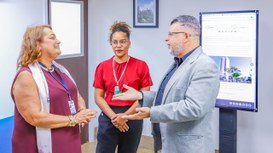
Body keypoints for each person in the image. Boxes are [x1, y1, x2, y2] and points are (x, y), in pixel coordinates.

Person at [112, 15, 220, 153]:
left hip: (188, 148)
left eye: (171, 34)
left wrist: (152, 112)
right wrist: (140, 95)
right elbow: (170, 96)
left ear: (186, 36)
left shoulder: (204, 66)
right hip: (168, 144)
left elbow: (193, 107)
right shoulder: (179, 62)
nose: (166, 39)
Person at [11, 25, 97, 153]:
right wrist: (73, 119)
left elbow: (75, 95)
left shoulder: (60, 69)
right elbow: (34, 117)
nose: (58, 41)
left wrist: (82, 111)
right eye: (52, 38)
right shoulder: (26, 76)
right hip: (38, 145)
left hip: (69, 138)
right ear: (37, 45)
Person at [93, 21, 153, 153]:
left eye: (122, 42)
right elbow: (98, 97)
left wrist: (124, 116)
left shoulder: (141, 65)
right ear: (111, 43)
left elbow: (144, 97)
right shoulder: (102, 66)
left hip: (132, 115)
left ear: (129, 43)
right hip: (109, 115)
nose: (118, 46)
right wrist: (115, 118)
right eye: (115, 42)